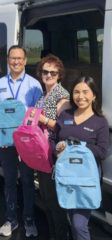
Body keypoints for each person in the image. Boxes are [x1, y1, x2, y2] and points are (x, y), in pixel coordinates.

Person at [0, 45, 43, 237]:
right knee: (9, 181)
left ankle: (29, 219)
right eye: (13, 58)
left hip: (26, 143)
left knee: (28, 181)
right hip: (5, 142)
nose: (16, 62)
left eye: (20, 58)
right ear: (7, 60)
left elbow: (39, 112)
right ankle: (10, 219)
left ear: (25, 60)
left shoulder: (34, 85)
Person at [50, 76, 109, 240]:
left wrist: (74, 146)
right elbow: (53, 140)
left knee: (79, 224)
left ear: (94, 95)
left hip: (86, 178)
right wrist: (57, 151)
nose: (80, 96)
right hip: (66, 175)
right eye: (76, 92)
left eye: (85, 92)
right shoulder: (65, 115)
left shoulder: (100, 122)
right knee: (71, 217)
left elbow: (103, 151)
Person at [30, 54, 71, 240]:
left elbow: (66, 127)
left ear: (59, 74)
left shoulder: (62, 97)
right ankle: (54, 234)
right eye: (45, 71)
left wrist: (44, 119)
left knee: (55, 201)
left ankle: (61, 236)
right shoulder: (42, 93)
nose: (48, 75)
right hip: (41, 152)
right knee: (46, 198)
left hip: (54, 153)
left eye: (53, 73)